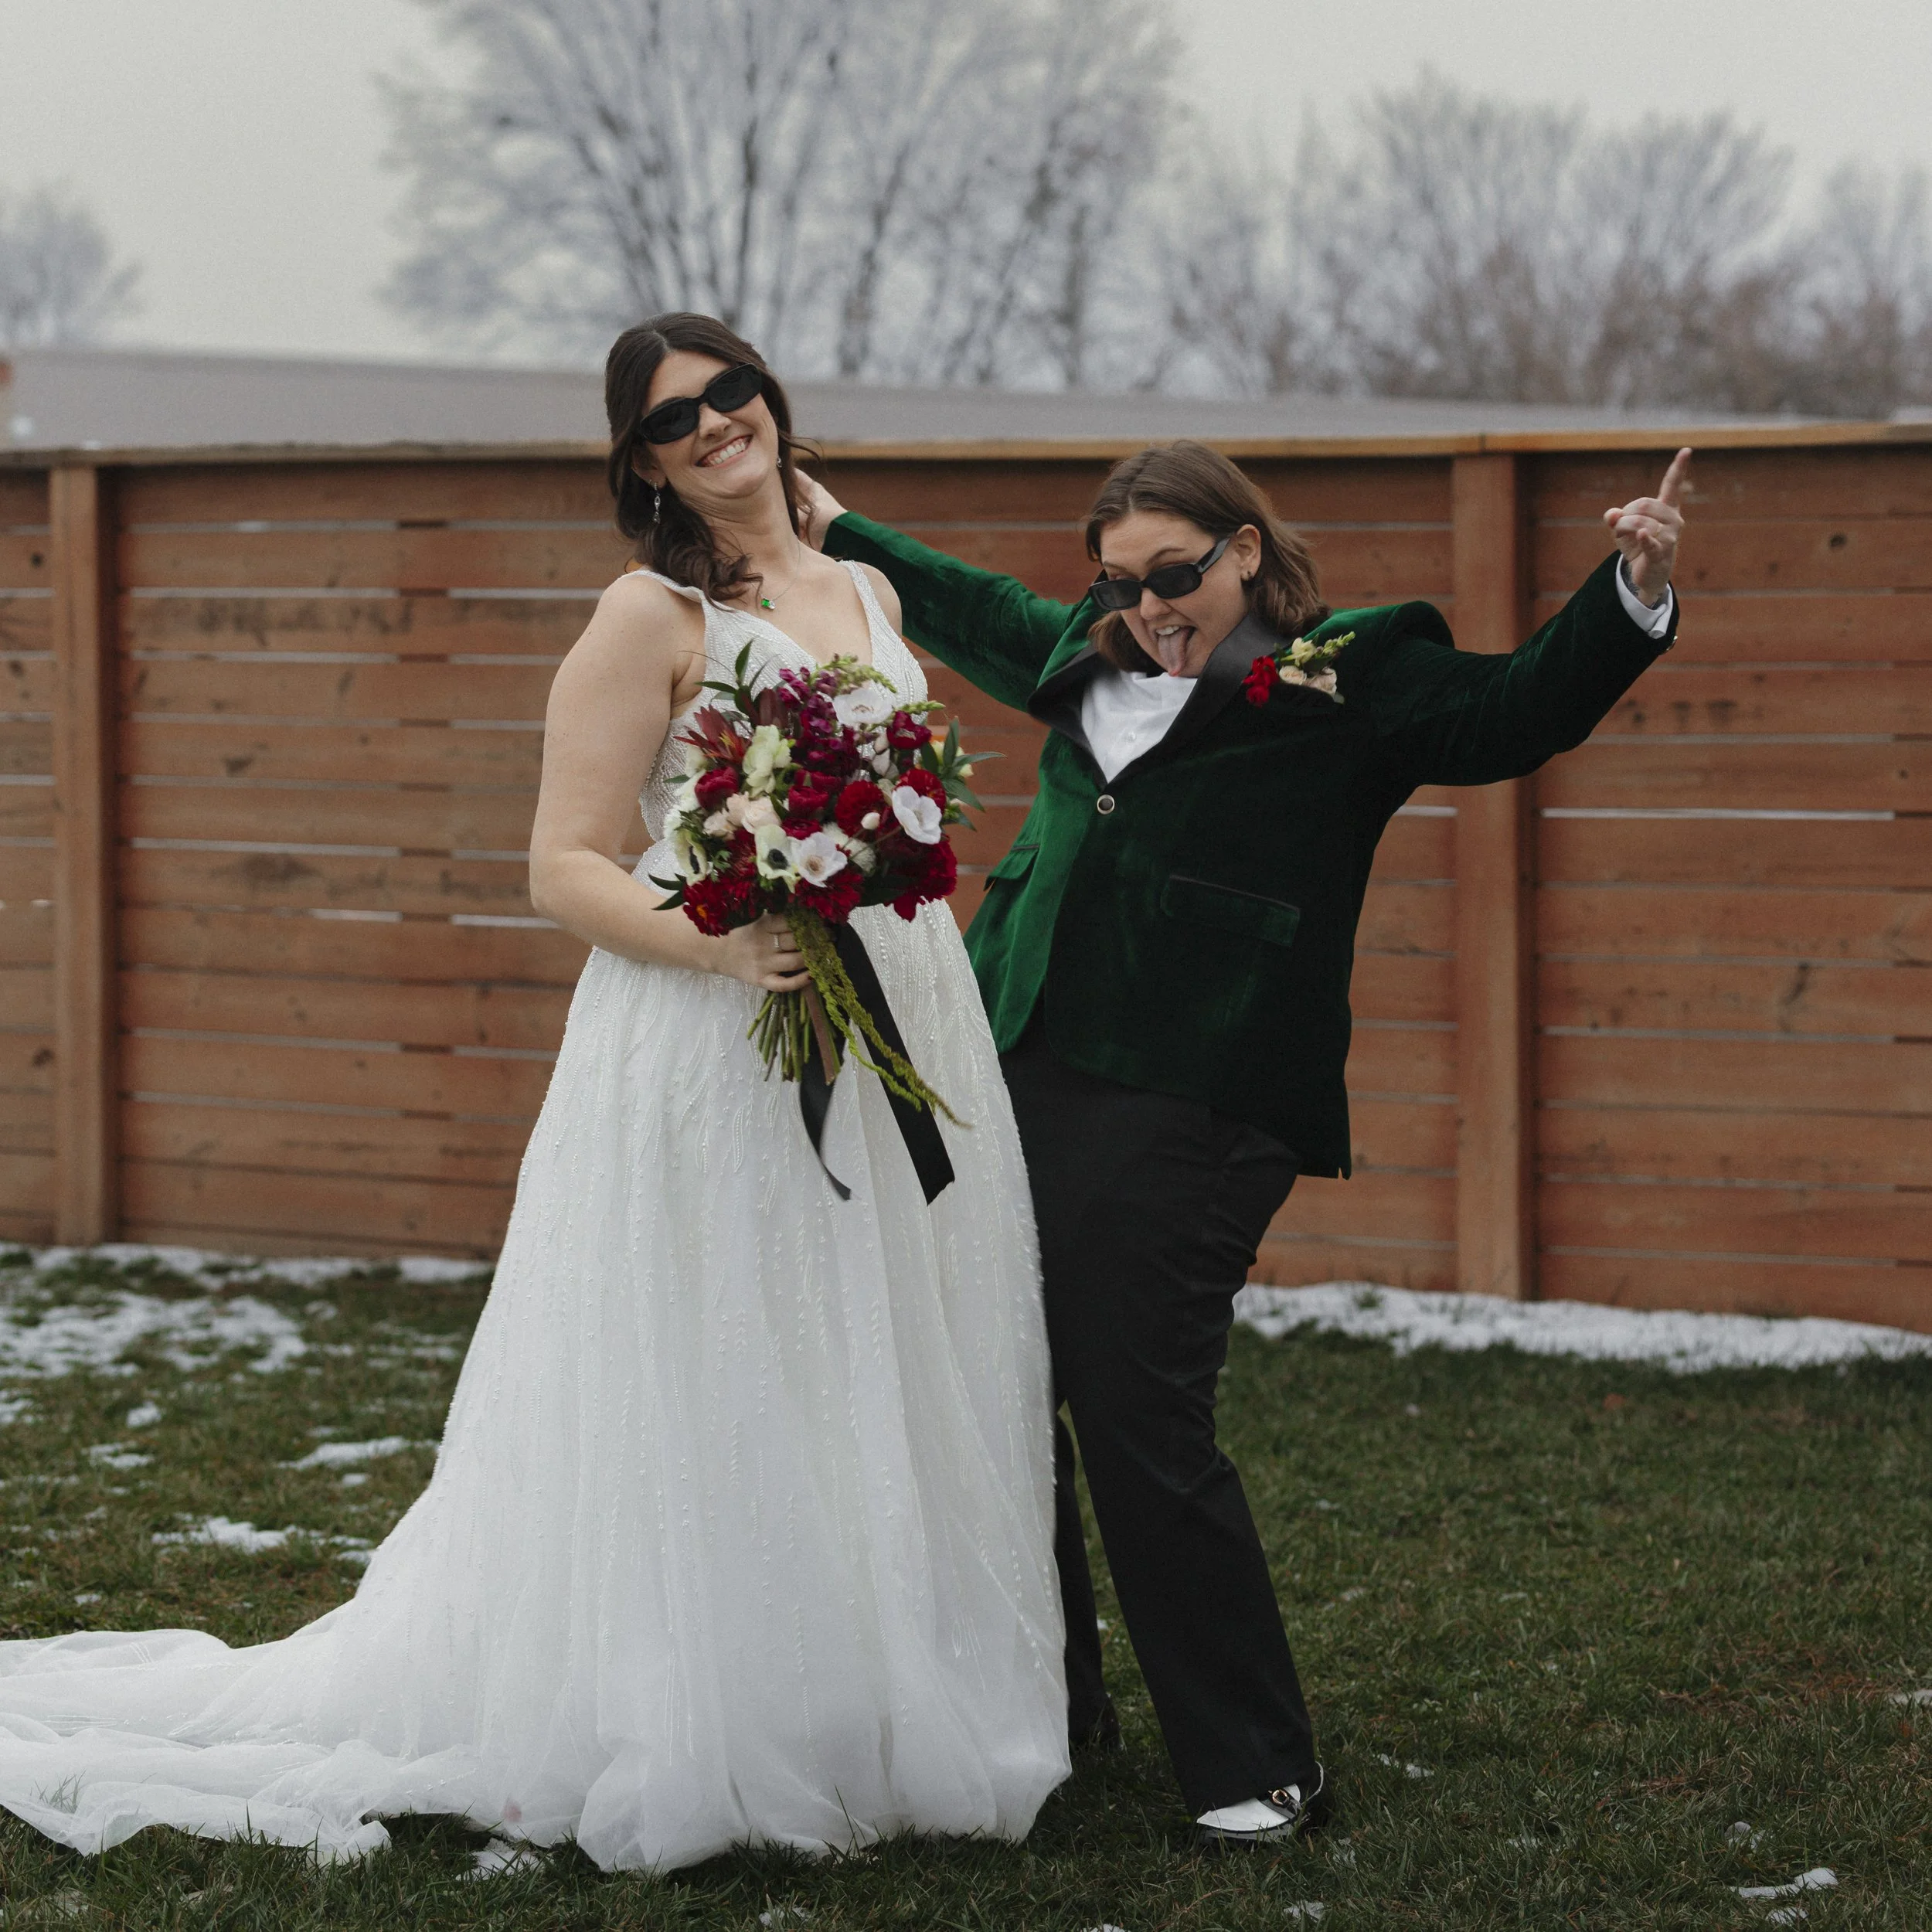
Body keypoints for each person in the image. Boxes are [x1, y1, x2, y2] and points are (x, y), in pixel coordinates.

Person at [0, 315, 1068, 1872]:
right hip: (718, 1023)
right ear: (642, 464)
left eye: (729, 391)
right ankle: (709, 1704)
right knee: (736, 1344)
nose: (713, 425)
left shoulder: (870, 590)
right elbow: (561, 862)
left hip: (898, 999)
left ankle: (874, 1698)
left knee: (874, 1334)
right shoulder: (648, 614)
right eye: (672, 420)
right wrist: (724, 943)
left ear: (771, 398)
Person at [799, 439, 1689, 1847]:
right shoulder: (1087, 654)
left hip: (1204, 1081)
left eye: (1174, 576)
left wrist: (1629, 589)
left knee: (1137, 1406)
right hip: (1018, 1054)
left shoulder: (1356, 670)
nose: (1149, 607)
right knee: (1002, 1384)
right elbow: (970, 603)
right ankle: (1048, 1713)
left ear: (1246, 553)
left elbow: (1514, 712)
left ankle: (1254, 1765)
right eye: (1120, 583)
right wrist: (834, 522)